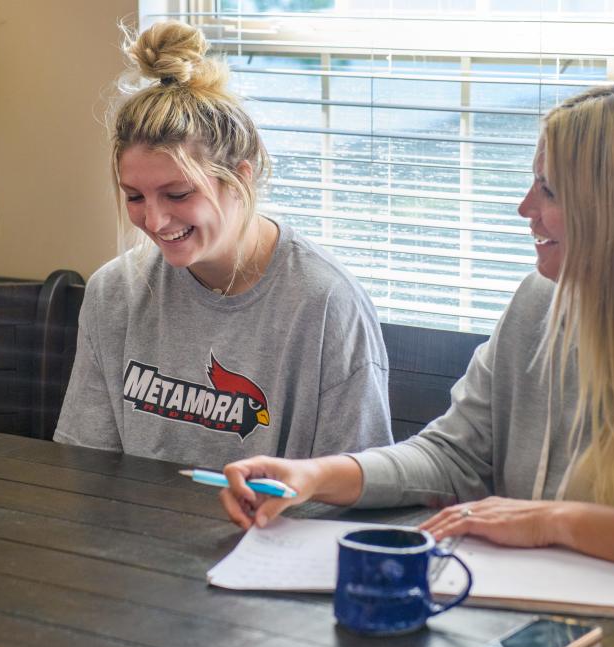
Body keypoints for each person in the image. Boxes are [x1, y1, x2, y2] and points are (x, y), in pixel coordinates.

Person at [219, 84, 614, 595]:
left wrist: (553, 521)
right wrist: (314, 475)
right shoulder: (540, 299)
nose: (525, 208)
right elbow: (453, 456)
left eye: (548, 190)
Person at [53, 21, 393, 469]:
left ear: (241, 180)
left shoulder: (325, 304)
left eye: (178, 195)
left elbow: (355, 486)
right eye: (134, 196)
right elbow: (86, 466)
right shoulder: (114, 293)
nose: (153, 220)